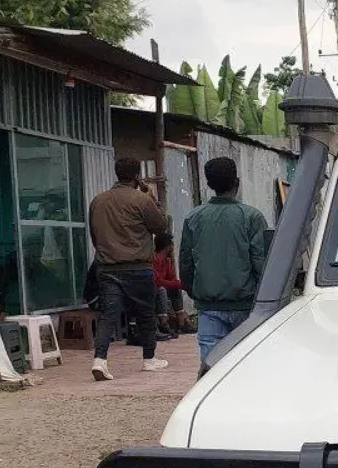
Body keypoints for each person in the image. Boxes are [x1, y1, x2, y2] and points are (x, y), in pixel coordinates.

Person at [179, 157, 268, 367]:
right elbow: (261, 262)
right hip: (245, 305)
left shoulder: (194, 218)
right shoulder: (252, 217)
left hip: (208, 305)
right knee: (247, 362)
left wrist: (196, 292)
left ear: (209, 184)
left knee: (212, 366)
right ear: (237, 183)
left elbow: (185, 263)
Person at [88, 157, 169, 381]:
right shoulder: (141, 200)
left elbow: (95, 237)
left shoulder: (98, 201)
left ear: (116, 173)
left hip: (107, 268)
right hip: (138, 268)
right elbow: (161, 226)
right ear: (136, 176)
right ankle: (149, 359)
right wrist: (151, 196)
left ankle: (100, 360)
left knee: (108, 315)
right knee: (145, 314)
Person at [152, 232, 187, 338]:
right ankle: (163, 324)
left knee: (176, 289)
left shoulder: (167, 261)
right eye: (171, 244)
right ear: (167, 246)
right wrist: (175, 283)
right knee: (162, 290)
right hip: (155, 288)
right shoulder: (154, 259)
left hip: (164, 287)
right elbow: (157, 281)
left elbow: (171, 278)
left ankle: (182, 323)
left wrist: (177, 284)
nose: (173, 246)